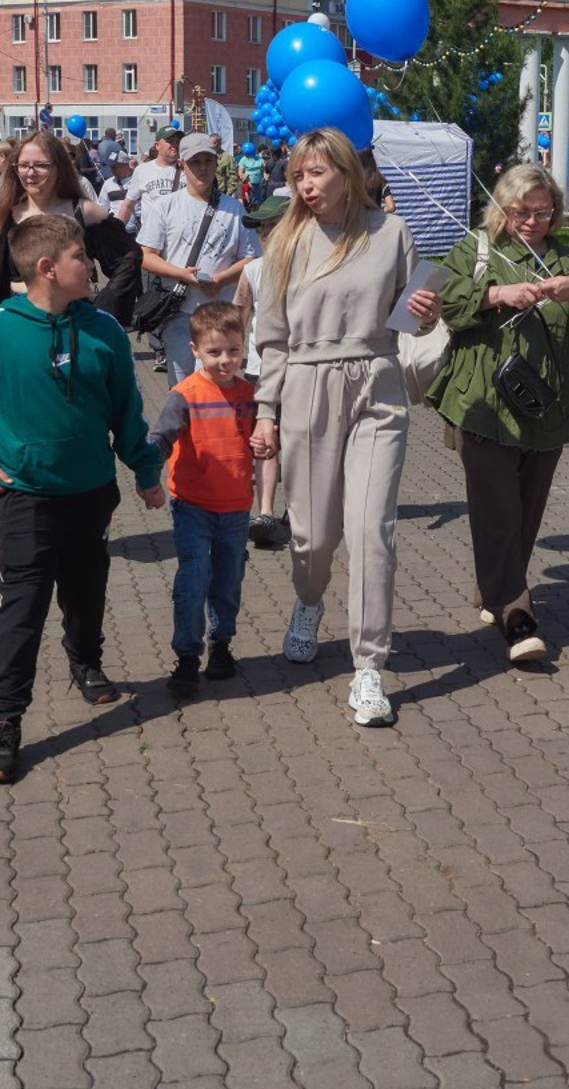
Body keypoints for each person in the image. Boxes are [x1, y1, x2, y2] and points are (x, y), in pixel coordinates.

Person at [0, 214, 165, 784]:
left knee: (88, 589)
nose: (89, 267)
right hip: (24, 495)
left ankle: (85, 661)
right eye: (77, 257)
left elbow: (127, 412)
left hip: (91, 491)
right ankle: (5, 721)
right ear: (47, 268)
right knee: (23, 606)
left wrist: (145, 471)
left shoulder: (105, 331)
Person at [250, 128, 442, 729]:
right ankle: (309, 600)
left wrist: (428, 312)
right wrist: (265, 411)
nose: (306, 186)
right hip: (307, 384)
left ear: (346, 173)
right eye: (298, 176)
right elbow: (272, 339)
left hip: (377, 386)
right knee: (310, 536)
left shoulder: (392, 233)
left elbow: (414, 311)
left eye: (316, 174)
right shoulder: (283, 241)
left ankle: (368, 668)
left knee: (370, 530)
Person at [427, 163, 569, 664]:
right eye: (521, 212)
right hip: (482, 405)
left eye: (543, 211)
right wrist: (496, 295)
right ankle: (517, 616)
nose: (533, 221)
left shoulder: (566, 260)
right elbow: (440, 301)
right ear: (502, 208)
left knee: (526, 513)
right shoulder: (476, 250)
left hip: (545, 407)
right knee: (498, 511)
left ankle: (493, 589)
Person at [149, 301, 258, 695]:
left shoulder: (250, 394)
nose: (225, 360)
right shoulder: (185, 394)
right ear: (194, 350)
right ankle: (186, 655)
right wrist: (149, 470)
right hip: (193, 505)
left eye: (233, 350)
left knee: (229, 580)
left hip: (236, 507)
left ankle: (222, 643)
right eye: (214, 352)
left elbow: (263, 440)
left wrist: (267, 444)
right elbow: (161, 437)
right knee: (194, 579)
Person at [0, 131, 141, 324]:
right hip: (18, 320)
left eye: (41, 165)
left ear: (59, 167)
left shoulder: (84, 211)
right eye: (24, 165)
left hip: (74, 323)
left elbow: (129, 258)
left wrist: (104, 309)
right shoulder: (4, 216)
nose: (31, 172)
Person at [137, 132, 256, 387]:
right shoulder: (165, 206)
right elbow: (147, 256)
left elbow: (251, 257)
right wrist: (181, 275)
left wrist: (222, 279)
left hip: (221, 314)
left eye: (208, 161)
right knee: (183, 387)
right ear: (182, 163)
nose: (202, 168)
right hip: (180, 311)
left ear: (216, 163)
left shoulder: (234, 208)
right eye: (195, 162)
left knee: (217, 386)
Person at [231, 193, 288, 546]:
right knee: (264, 441)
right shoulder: (252, 269)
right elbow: (240, 314)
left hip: (302, 370)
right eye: (263, 227)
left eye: (274, 226)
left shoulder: (313, 270)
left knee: (298, 443)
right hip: (259, 369)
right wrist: (233, 361)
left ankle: (299, 509)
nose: (266, 233)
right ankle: (265, 511)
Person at [118, 126, 183, 229]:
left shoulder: (188, 169)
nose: (174, 145)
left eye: (177, 142)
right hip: (151, 238)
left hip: (179, 237)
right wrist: (117, 230)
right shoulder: (142, 170)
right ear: (157, 146)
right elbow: (128, 205)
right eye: (170, 142)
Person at [359, 146, 396, 213]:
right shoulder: (380, 179)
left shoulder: (354, 179)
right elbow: (391, 207)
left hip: (359, 219)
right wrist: (378, 210)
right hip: (376, 219)